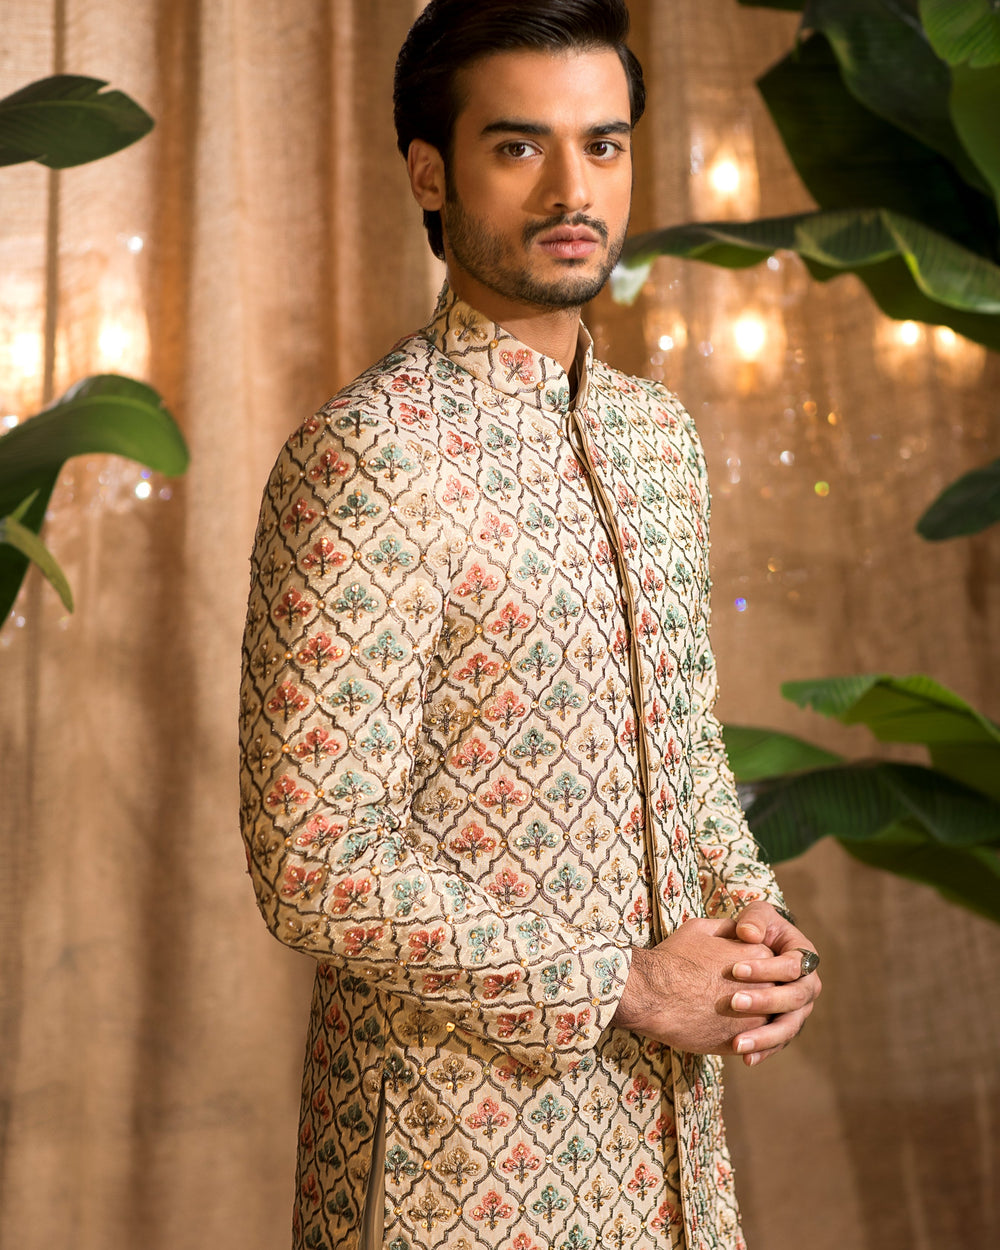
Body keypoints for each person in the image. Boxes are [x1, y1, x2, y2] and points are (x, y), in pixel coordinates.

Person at [239, 2, 822, 1248]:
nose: (573, 187)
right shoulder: (368, 456)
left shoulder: (651, 438)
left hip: (670, 1152)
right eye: (519, 147)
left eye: (602, 146)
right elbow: (313, 856)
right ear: (429, 173)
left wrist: (750, 916)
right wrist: (620, 981)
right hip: (454, 1162)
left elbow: (680, 739)